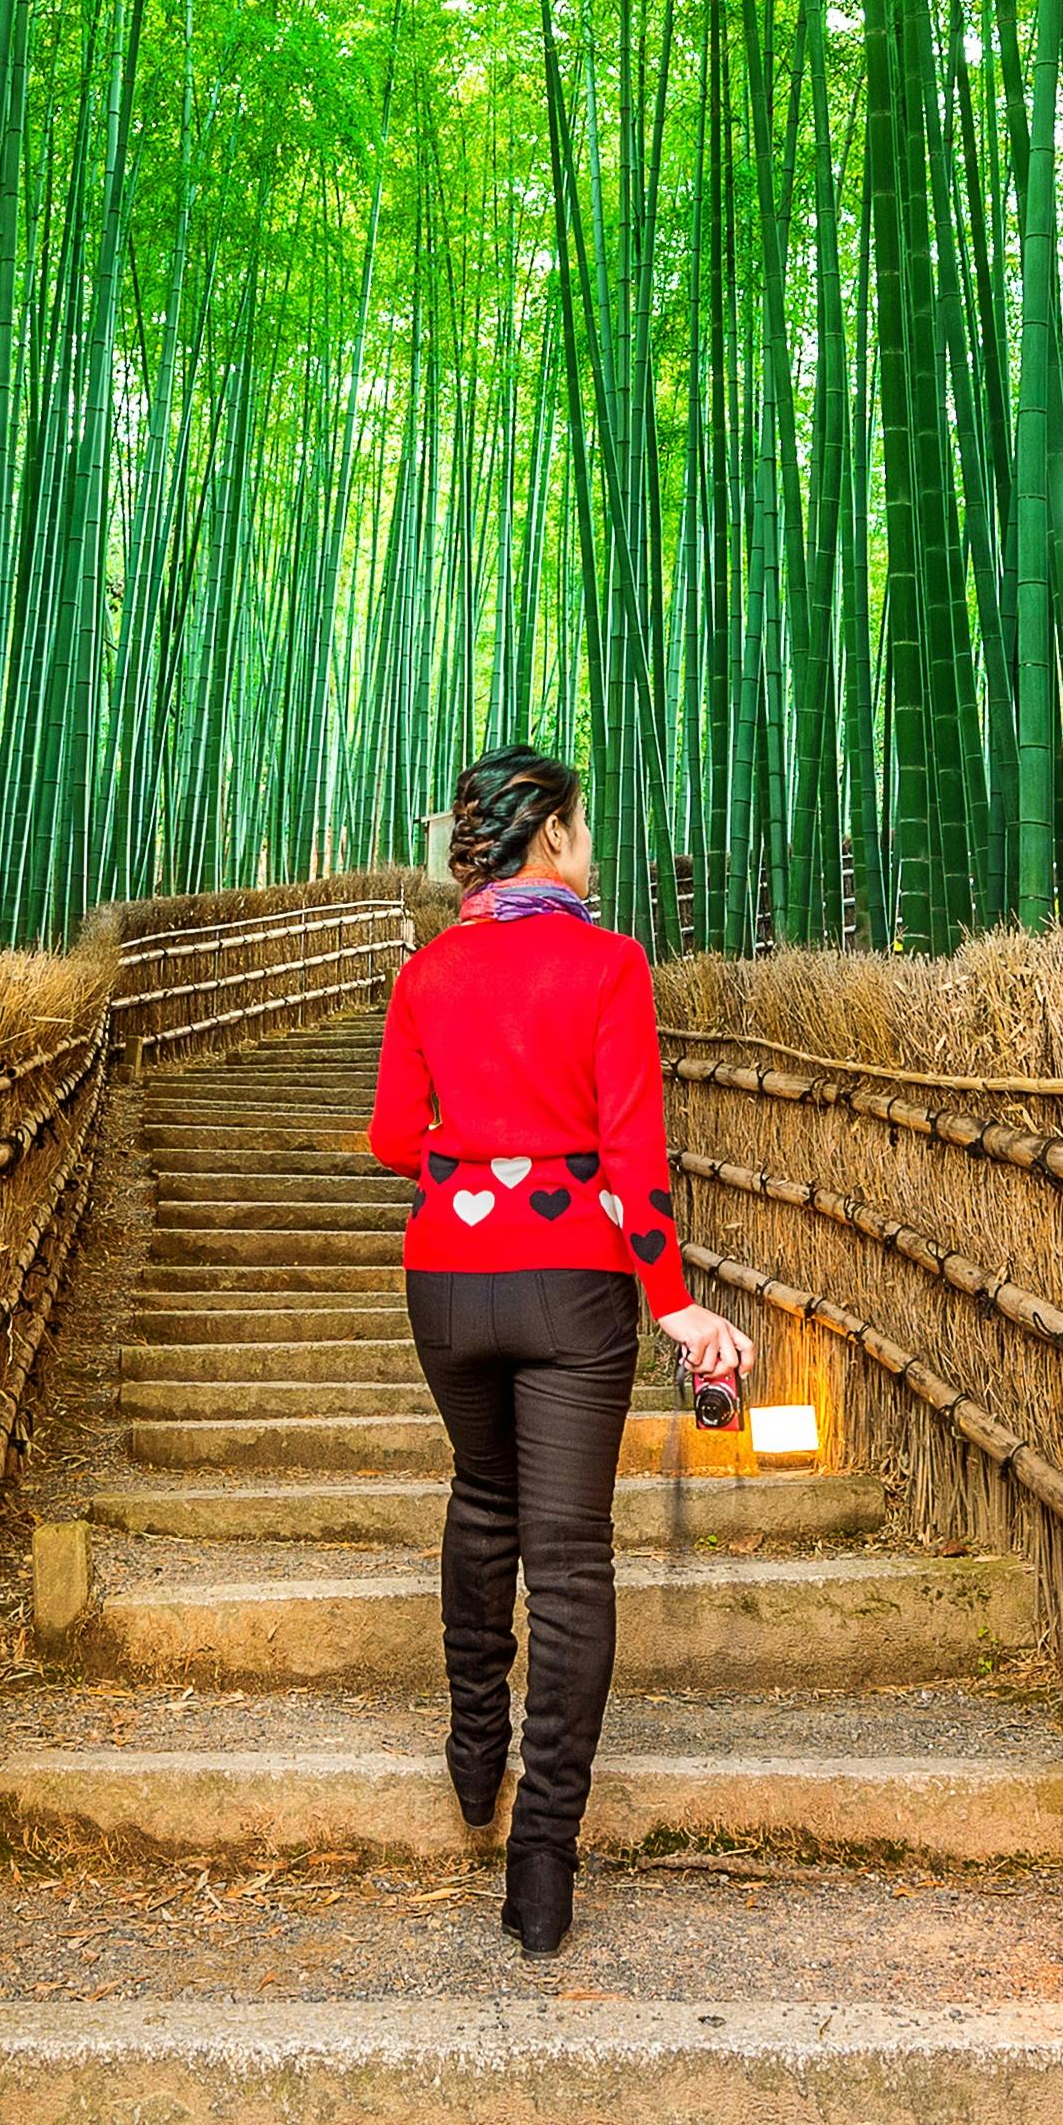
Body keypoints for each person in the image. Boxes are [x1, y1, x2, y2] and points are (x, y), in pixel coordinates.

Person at [364, 742, 757, 1958]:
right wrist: (675, 1304)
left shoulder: (426, 971)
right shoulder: (607, 962)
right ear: (546, 838)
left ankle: (472, 1748)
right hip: (572, 1285)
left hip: (445, 1278)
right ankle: (540, 1862)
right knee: (569, 1561)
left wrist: (472, 1169)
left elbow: (390, 1139)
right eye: (581, 828)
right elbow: (634, 1160)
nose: (591, 848)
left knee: (482, 1505)